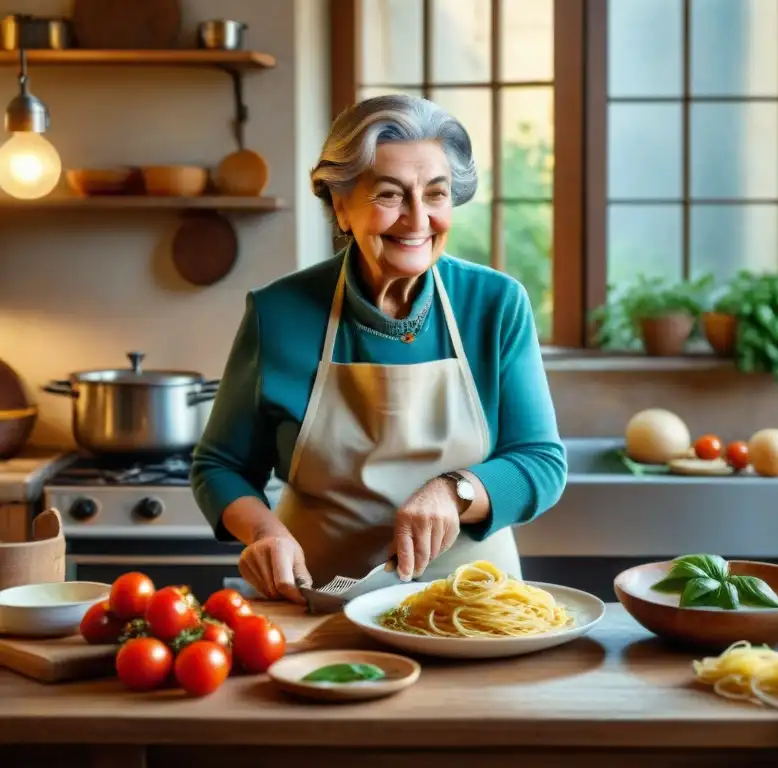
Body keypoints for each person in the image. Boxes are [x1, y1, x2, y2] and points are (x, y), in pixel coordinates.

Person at [190, 94, 568, 604]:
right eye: (390, 195)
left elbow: (540, 461)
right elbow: (220, 465)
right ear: (340, 206)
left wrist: (455, 491)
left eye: (435, 195)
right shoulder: (278, 313)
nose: (417, 220)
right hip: (321, 602)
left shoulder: (496, 304)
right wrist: (264, 532)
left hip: (475, 605)